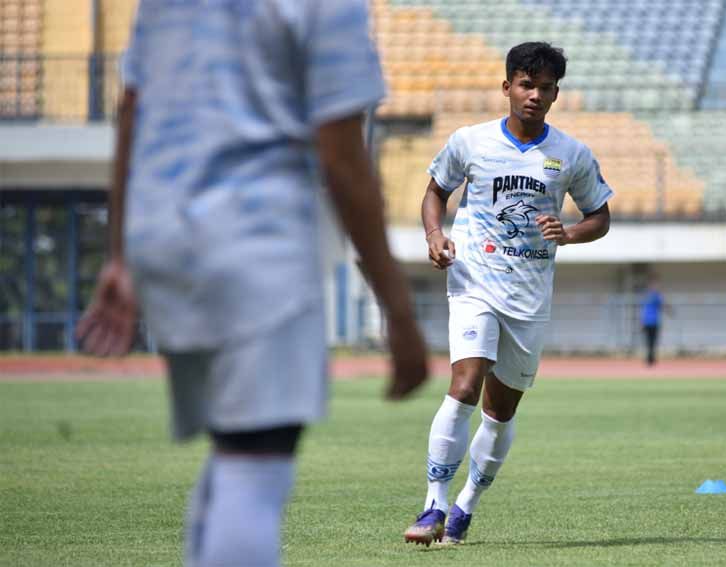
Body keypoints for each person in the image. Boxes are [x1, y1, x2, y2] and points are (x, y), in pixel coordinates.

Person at [75, 2, 428, 566]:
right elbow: (342, 156)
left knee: (235, 448)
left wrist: (121, 253)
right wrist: (400, 312)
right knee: (258, 466)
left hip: (167, 237)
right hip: (255, 241)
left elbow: (132, 110)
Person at [402, 42, 613, 546]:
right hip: (474, 281)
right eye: (525, 84)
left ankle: (465, 507)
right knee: (464, 383)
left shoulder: (571, 155)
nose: (534, 95)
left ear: (556, 93)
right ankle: (433, 504)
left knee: (500, 410)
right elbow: (435, 192)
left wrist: (570, 231)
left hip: (528, 297)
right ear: (507, 87)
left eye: (544, 87)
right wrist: (434, 235)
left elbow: (600, 217)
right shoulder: (469, 142)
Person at [639, 278, 673, 366]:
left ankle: (650, 358)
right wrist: (670, 311)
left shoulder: (646, 296)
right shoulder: (656, 296)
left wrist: (641, 322)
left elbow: (643, 310)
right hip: (652, 321)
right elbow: (663, 305)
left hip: (650, 321)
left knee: (650, 341)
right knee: (652, 341)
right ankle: (651, 359)